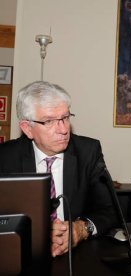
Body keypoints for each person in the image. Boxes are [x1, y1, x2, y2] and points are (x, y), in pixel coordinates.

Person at [0, 81, 118, 257]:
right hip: (22, 253)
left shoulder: (88, 151)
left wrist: (82, 228)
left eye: (65, 117)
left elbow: (111, 209)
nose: (63, 129)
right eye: (49, 121)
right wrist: (37, 231)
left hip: (78, 255)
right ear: (27, 128)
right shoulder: (5, 157)